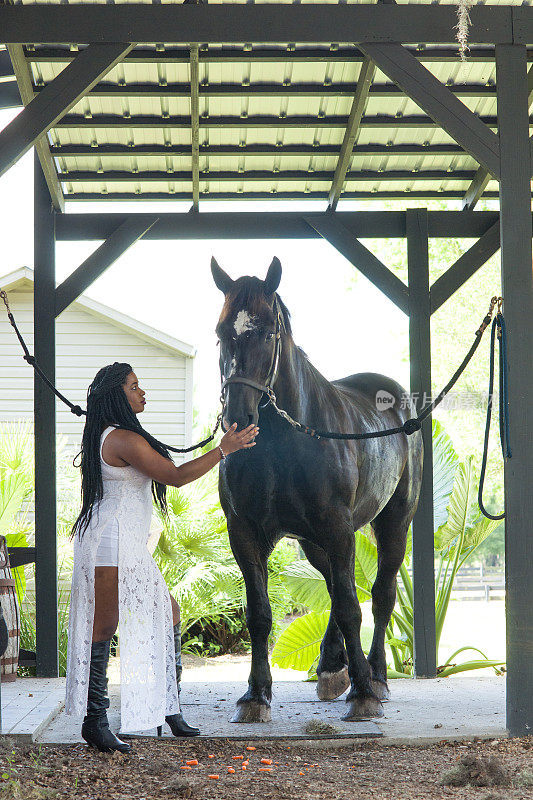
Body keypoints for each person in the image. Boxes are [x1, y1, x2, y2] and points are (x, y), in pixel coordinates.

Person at [65, 362, 257, 753]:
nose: (142, 392)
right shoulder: (120, 439)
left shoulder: (124, 434)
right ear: (119, 396)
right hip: (109, 542)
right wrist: (223, 450)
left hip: (127, 542)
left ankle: (169, 707)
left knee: (167, 611)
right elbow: (175, 476)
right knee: (105, 625)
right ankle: (95, 721)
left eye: (140, 384)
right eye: (134, 387)